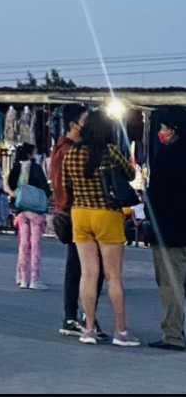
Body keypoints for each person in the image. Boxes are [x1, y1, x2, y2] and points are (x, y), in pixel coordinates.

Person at [63, 108, 139, 346]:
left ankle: (88, 329)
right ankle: (122, 332)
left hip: (80, 214)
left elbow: (67, 184)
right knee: (113, 277)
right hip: (106, 214)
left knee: (88, 274)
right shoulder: (111, 152)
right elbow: (129, 173)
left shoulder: (71, 154)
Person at [51, 104, 107, 338]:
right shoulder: (68, 150)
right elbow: (64, 187)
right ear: (74, 124)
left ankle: (81, 317)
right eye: (85, 120)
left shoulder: (63, 148)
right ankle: (74, 318)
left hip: (74, 214)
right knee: (82, 269)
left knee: (83, 268)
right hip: (77, 214)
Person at [146, 106, 186, 351]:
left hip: (169, 233)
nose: (161, 132)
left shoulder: (167, 156)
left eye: (162, 128)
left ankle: (173, 335)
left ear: (173, 130)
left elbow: (156, 195)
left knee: (171, 285)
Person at [8, 143, 51, 290]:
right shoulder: (36, 168)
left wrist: (18, 194)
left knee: (23, 244)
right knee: (35, 244)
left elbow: (10, 184)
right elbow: (44, 186)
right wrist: (48, 194)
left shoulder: (16, 168)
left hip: (21, 209)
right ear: (30, 154)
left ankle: (23, 278)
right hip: (35, 210)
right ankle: (34, 279)